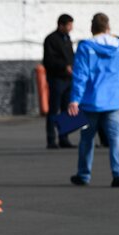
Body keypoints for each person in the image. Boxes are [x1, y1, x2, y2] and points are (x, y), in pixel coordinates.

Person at [68, 13, 119, 187]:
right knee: (115, 137)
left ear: (92, 27)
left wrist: (75, 99)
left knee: (87, 139)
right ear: (107, 27)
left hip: (91, 101)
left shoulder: (85, 47)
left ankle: (84, 175)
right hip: (113, 100)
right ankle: (118, 173)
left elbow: (80, 75)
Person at [43, 14, 75, 149]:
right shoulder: (51, 39)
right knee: (53, 110)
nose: (71, 28)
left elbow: (71, 57)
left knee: (66, 111)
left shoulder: (67, 39)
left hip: (68, 79)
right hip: (56, 80)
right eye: (69, 25)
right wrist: (64, 66)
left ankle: (64, 138)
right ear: (61, 25)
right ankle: (51, 139)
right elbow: (49, 60)